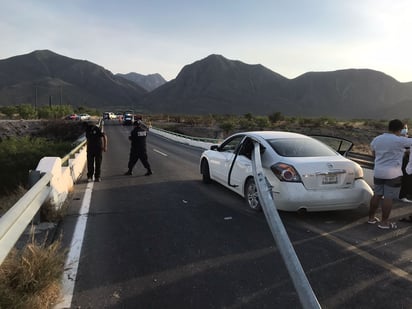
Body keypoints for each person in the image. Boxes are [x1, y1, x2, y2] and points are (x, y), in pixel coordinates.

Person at [368, 119, 412, 229]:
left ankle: (371, 218)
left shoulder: (377, 139)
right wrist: (405, 133)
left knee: (377, 194)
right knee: (388, 197)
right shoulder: (400, 140)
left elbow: (374, 153)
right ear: (400, 129)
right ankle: (384, 223)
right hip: (392, 174)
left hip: (378, 171)